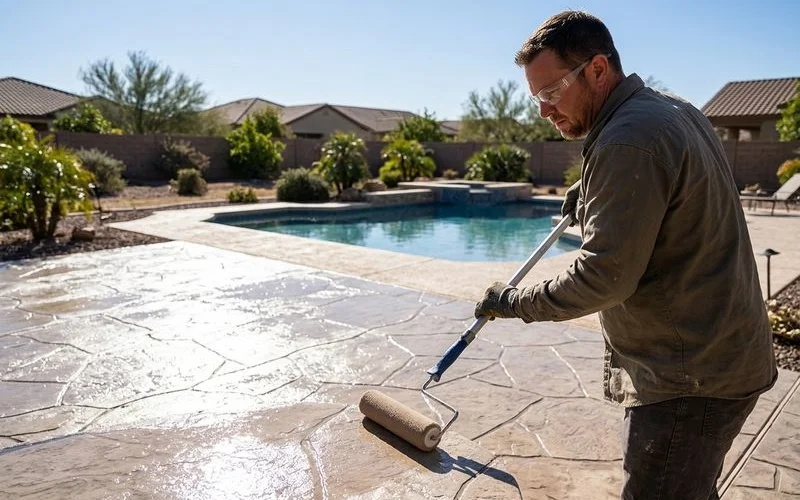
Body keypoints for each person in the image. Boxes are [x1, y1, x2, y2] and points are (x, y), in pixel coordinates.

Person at [473, 10, 778, 500]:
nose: (544, 111)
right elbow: (674, 190)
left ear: (597, 69)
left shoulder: (628, 139)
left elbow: (603, 277)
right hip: (720, 356)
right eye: (537, 97)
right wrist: (593, 189)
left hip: (689, 378)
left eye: (551, 91)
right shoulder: (671, 108)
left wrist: (513, 302)